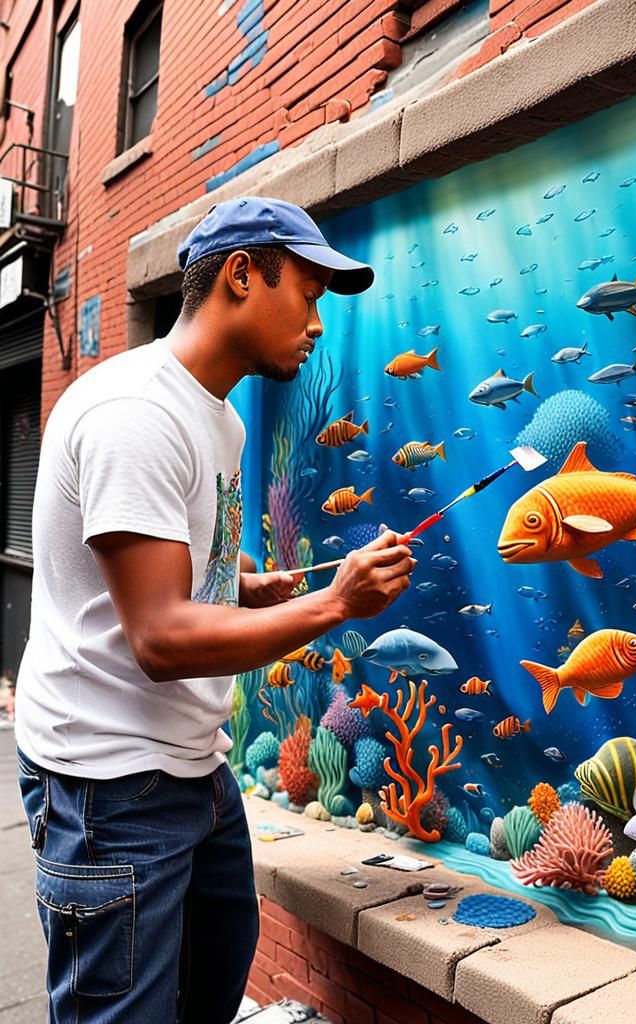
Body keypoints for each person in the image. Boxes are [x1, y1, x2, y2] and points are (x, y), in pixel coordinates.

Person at [14, 196, 414, 1024]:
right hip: (109, 786)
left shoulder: (220, 421)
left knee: (210, 991)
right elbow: (160, 635)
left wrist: (239, 586)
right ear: (241, 274)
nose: (317, 323)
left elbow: (178, 581)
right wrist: (334, 604)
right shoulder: (138, 415)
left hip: (195, 767)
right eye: (307, 294)